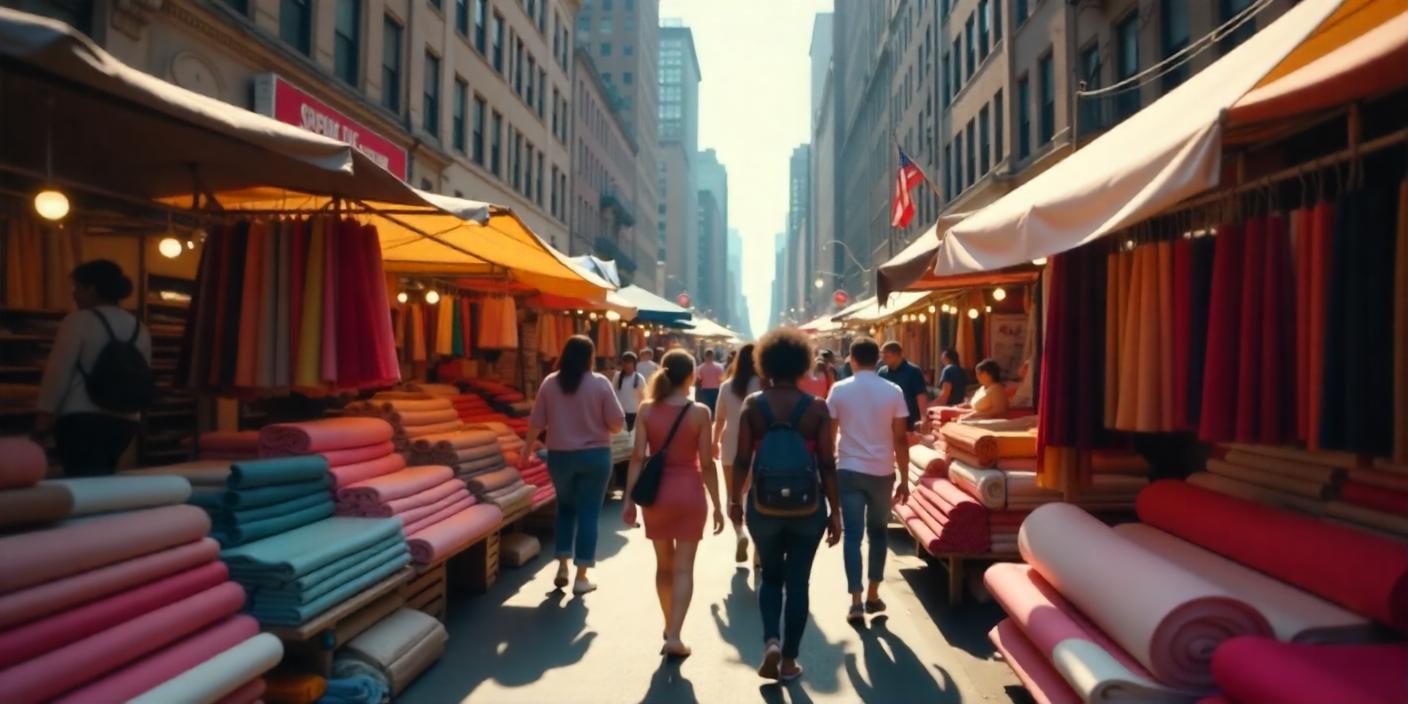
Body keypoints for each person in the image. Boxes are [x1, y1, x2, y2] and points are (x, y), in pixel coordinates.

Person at [731, 328, 841, 682]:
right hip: (808, 509)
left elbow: (742, 457)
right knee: (799, 583)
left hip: (763, 506)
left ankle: (771, 642)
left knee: (770, 577)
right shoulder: (817, 409)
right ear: (803, 364)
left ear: (766, 364)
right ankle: (790, 660)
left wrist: (734, 499)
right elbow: (827, 463)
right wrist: (835, 511)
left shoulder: (753, 405)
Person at [622, 350, 723, 658]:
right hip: (690, 494)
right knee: (684, 569)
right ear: (691, 376)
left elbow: (638, 457)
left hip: (657, 496)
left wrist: (629, 500)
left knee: (663, 565)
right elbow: (706, 463)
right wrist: (718, 504)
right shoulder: (700, 412)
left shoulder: (647, 410)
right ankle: (676, 633)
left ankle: (669, 625)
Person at [523, 335, 626, 595]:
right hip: (595, 457)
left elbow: (537, 422)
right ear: (590, 357)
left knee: (565, 509)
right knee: (589, 514)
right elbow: (616, 423)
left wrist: (525, 450)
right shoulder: (600, 383)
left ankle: (562, 566)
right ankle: (581, 578)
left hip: (560, 457)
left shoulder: (549, 383)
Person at [36, 260, 152, 475]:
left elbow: (59, 370)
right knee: (103, 482)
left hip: (81, 416)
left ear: (92, 288)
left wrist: (45, 412)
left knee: (81, 482)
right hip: (125, 419)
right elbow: (143, 373)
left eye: (78, 287)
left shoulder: (78, 320)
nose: (75, 294)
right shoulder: (139, 327)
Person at [825, 338, 911, 623]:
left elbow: (829, 435)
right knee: (878, 533)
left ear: (851, 358)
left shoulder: (839, 389)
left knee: (852, 535)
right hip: (882, 472)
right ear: (878, 359)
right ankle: (874, 594)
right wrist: (905, 478)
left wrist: (826, 471)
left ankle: (856, 600)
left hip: (848, 469)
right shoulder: (893, 391)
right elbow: (900, 438)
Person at [714, 343, 762, 564]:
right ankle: (758, 546)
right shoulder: (764, 384)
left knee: (733, 497)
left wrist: (714, 442)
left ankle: (740, 534)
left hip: (731, 444)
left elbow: (720, 419)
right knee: (756, 496)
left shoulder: (726, 386)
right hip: (757, 446)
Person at [878, 341, 929, 430]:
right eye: (882, 356)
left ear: (897, 355)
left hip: (910, 419)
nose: (883, 359)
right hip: (888, 419)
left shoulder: (913, 371)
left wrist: (923, 417)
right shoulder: (882, 372)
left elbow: (921, 395)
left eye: (887, 356)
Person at [614, 352, 646, 431]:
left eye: (629, 362)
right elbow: (613, 394)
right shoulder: (617, 377)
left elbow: (644, 398)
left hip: (635, 415)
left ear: (634, 364)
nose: (627, 365)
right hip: (620, 414)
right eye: (625, 362)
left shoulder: (639, 378)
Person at [695, 349, 725, 413]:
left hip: (705, 390)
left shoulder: (700, 368)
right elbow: (721, 379)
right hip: (716, 390)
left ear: (705, 356)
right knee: (716, 409)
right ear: (713, 356)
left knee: (707, 409)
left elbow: (699, 379)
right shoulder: (719, 367)